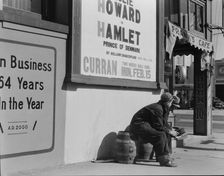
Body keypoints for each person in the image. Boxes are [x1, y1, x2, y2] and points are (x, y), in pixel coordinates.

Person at [129, 92, 180, 167]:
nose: (173, 108)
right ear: (169, 102)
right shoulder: (158, 109)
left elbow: (164, 124)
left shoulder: (164, 108)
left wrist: (172, 130)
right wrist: (169, 131)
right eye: (173, 105)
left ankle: (167, 156)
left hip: (146, 125)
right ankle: (164, 161)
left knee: (167, 134)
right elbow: (158, 126)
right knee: (160, 135)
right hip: (139, 125)